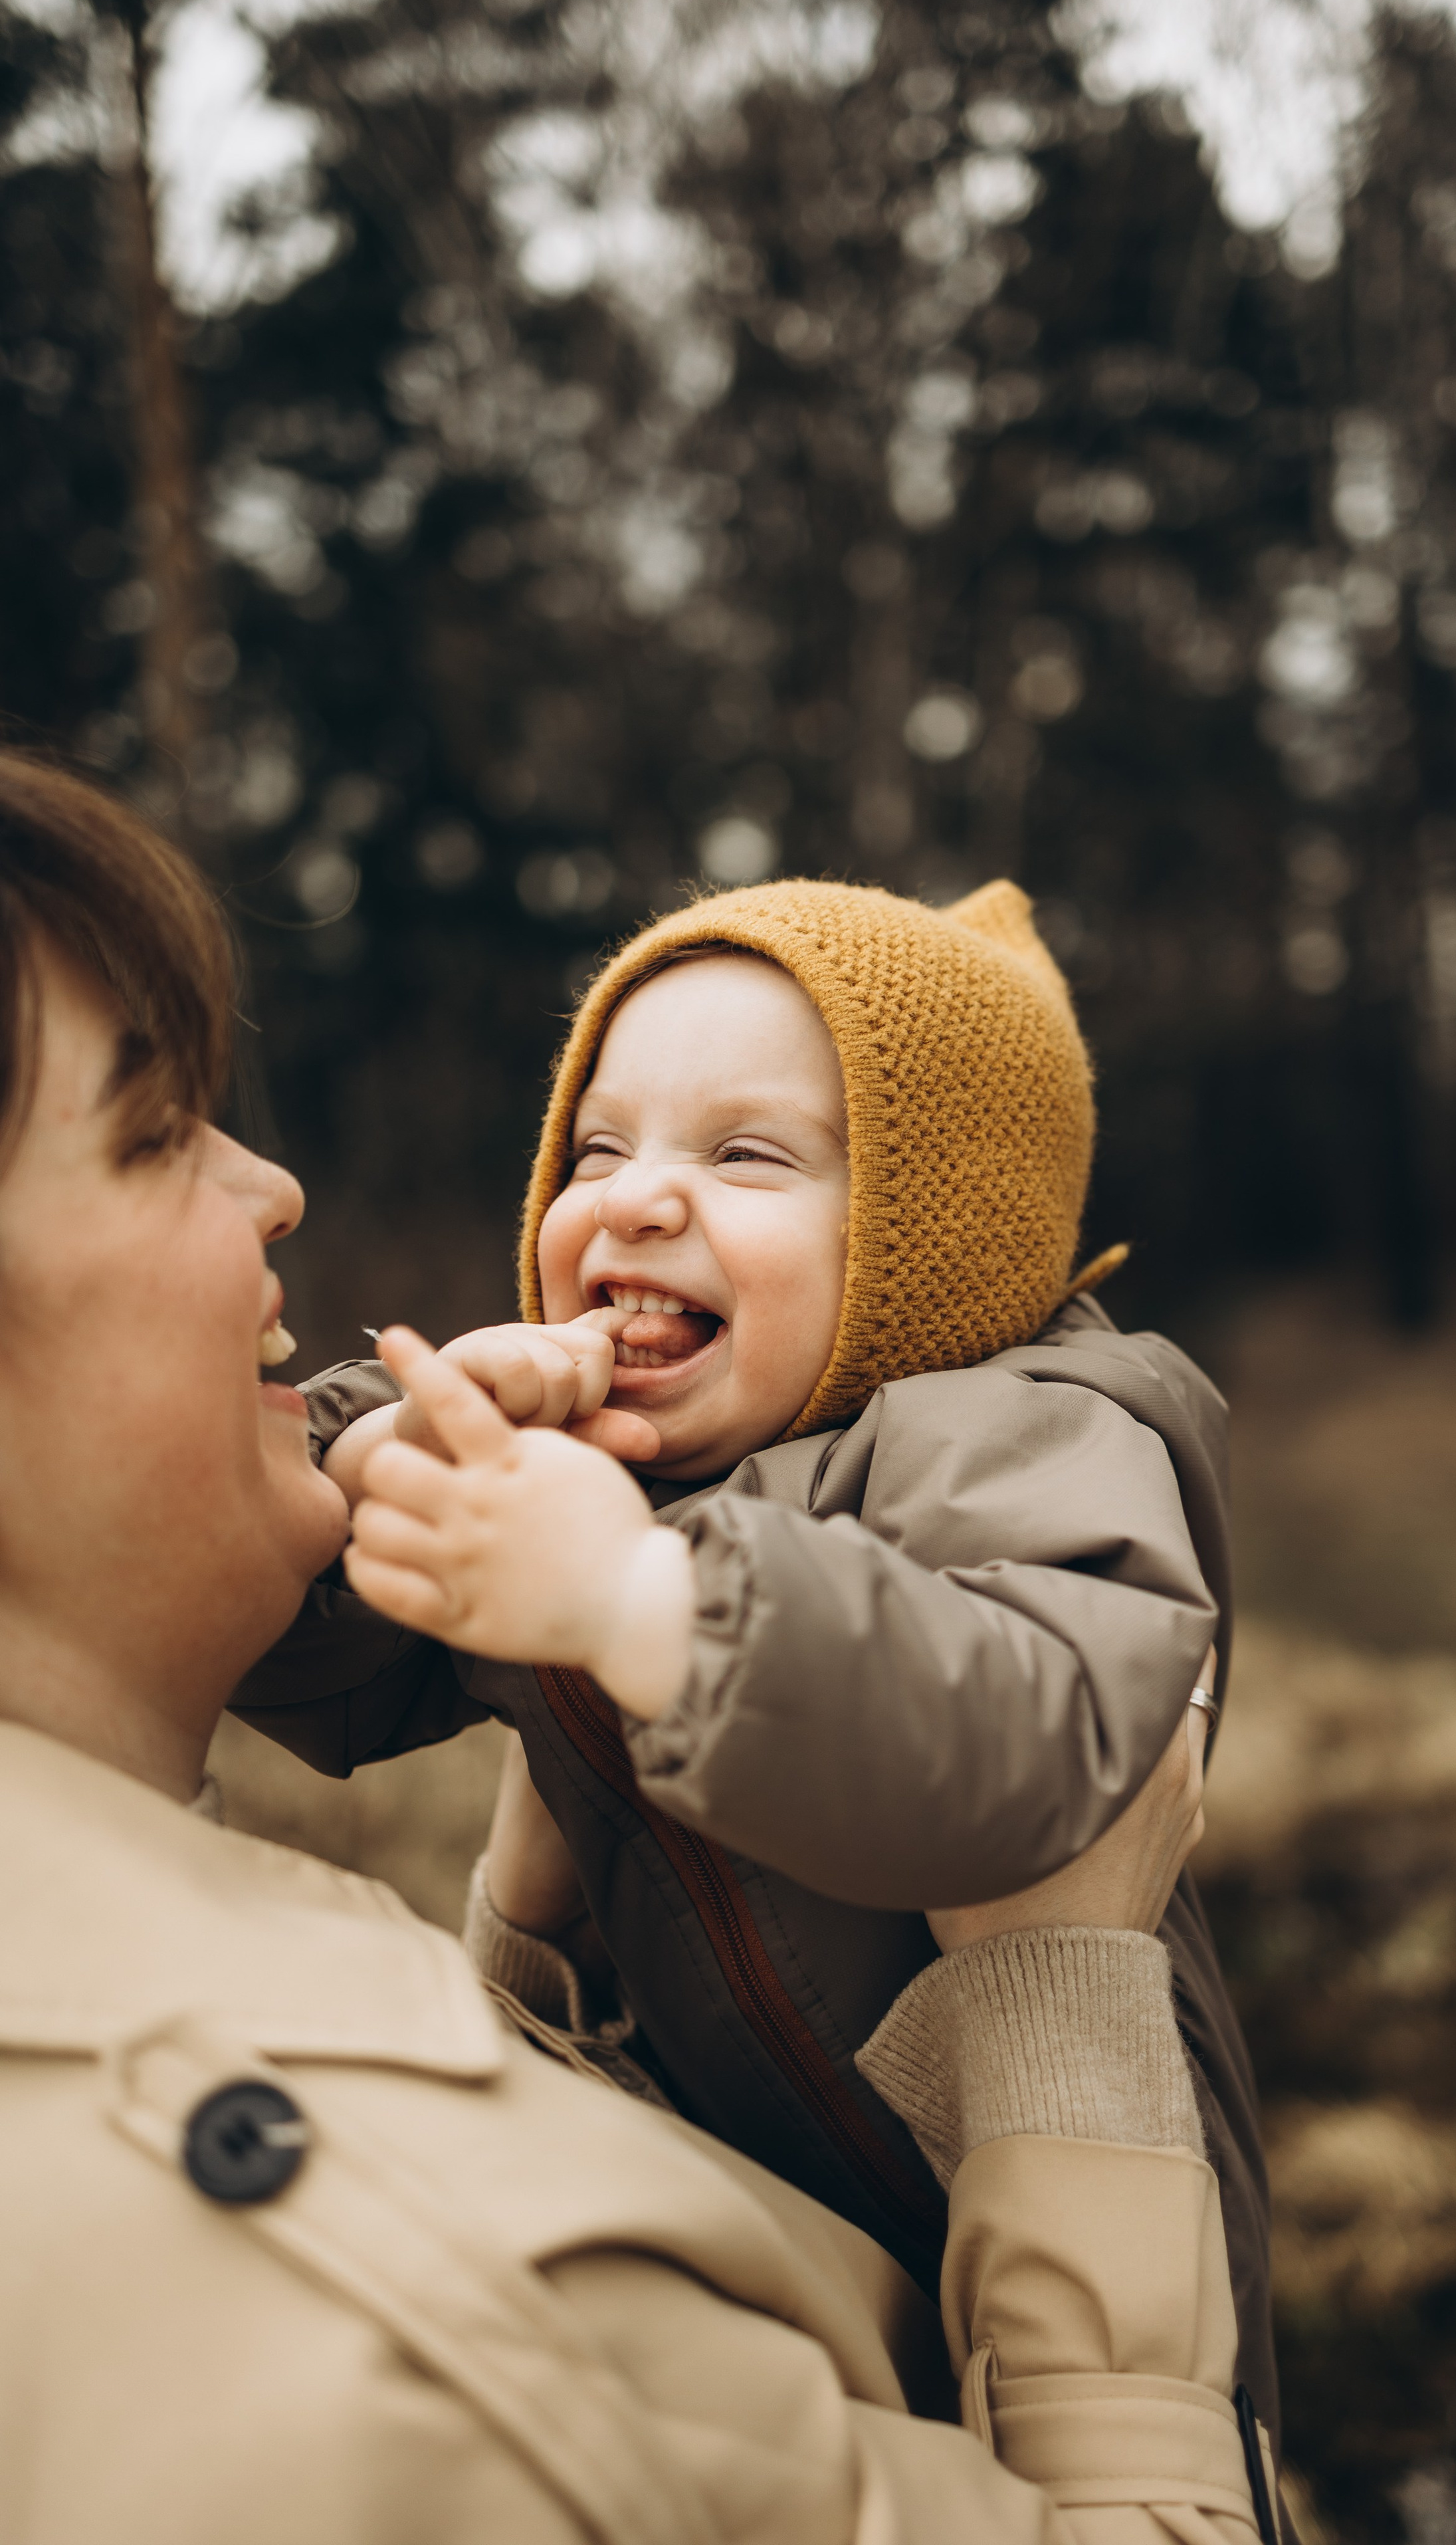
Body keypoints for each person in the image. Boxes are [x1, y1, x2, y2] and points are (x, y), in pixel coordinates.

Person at [0, 746, 1271, 2542]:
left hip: (1006, 2172)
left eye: (747, 1155)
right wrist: (389, 1453)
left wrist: (647, 1609)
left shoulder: (1023, 1438)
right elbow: (326, 1661)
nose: (639, 1199)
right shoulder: (616, 1472)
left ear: (929, 1246)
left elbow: (1043, 1742)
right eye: (601, 1148)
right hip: (759, 2217)